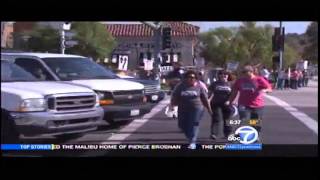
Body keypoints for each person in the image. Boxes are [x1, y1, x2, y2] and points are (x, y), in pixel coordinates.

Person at [227, 65, 272, 143]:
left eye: (245, 72)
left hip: (257, 105)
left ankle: (256, 136)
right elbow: (234, 92)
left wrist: (266, 90)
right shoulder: (240, 81)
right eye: (242, 72)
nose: (243, 74)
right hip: (243, 104)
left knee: (255, 122)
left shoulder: (259, 79)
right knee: (244, 120)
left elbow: (269, 88)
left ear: (251, 72)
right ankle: (238, 136)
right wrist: (230, 101)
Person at [170, 70, 212, 149]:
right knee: (182, 125)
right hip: (183, 108)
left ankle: (192, 141)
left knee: (194, 124)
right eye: (189, 77)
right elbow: (175, 96)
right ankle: (190, 137)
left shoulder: (199, 86)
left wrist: (209, 109)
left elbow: (205, 99)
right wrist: (172, 105)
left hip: (197, 108)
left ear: (196, 78)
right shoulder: (181, 86)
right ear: (185, 78)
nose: (191, 79)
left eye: (193, 77)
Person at [208, 70, 233, 140]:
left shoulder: (231, 84)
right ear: (218, 76)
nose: (223, 75)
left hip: (227, 104)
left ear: (228, 76)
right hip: (215, 103)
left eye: (225, 74)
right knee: (216, 118)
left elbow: (234, 94)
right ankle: (214, 134)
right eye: (221, 74)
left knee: (227, 120)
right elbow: (210, 93)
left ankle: (227, 134)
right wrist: (208, 100)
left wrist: (229, 101)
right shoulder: (214, 84)